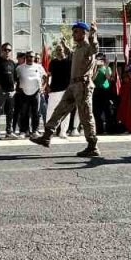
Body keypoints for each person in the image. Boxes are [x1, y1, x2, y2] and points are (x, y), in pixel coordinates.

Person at [30, 21, 100, 158]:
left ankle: (92, 145)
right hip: (73, 86)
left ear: (84, 33)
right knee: (59, 110)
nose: (73, 34)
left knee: (86, 115)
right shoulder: (79, 48)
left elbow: (95, 48)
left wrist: (93, 34)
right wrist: (65, 46)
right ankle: (47, 136)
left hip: (83, 85)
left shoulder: (88, 46)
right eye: (73, 31)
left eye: (76, 31)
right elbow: (72, 54)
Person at [45, 40, 75, 137]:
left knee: (65, 112)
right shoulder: (52, 62)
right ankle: (49, 131)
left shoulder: (69, 61)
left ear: (64, 50)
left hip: (66, 90)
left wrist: (66, 45)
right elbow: (48, 75)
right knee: (50, 110)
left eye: (61, 49)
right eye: (57, 50)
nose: (59, 51)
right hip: (54, 90)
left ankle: (63, 132)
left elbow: (73, 54)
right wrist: (47, 86)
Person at [14, 51, 46, 137]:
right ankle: (24, 131)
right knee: (24, 113)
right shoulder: (19, 68)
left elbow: (45, 77)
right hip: (23, 93)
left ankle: (35, 131)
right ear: (25, 57)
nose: (29, 58)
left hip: (36, 93)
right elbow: (15, 78)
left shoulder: (39, 67)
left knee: (35, 113)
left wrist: (43, 86)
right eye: (28, 57)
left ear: (34, 58)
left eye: (31, 57)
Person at [92, 55, 115, 136]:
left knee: (107, 110)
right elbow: (92, 79)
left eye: (101, 59)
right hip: (96, 90)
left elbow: (108, 78)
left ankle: (110, 129)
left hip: (105, 91)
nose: (99, 61)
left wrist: (107, 66)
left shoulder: (107, 68)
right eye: (98, 59)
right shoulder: (94, 68)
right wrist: (97, 69)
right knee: (96, 111)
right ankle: (99, 129)